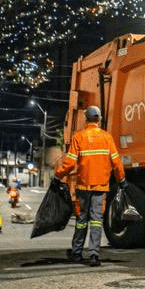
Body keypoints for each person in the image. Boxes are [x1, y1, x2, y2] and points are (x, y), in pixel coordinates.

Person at [54, 105, 126, 267]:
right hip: (100, 187)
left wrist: (58, 176)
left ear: (86, 119)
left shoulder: (78, 137)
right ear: (99, 119)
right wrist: (122, 180)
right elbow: (116, 162)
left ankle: (77, 252)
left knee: (81, 220)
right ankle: (94, 255)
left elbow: (70, 163)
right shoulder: (107, 138)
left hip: (83, 187)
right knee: (96, 220)